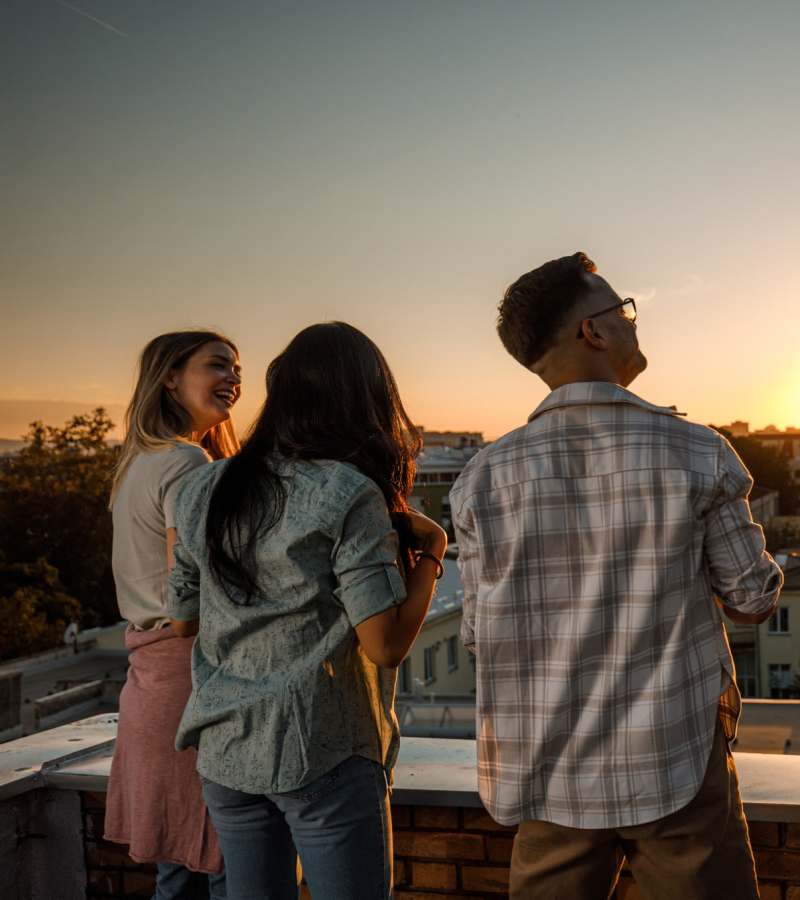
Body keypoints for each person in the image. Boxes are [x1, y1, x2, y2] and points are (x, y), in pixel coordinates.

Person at [450, 252, 783, 900]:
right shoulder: (697, 450)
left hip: (546, 769)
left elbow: (475, 635)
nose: (633, 322)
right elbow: (752, 598)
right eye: (622, 309)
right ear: (593, 333)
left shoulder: (481, 480)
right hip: (675, 757)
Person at [165, 321, 446, 900]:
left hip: (225, 750)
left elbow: (183, 619)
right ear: (366, 400)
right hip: (321, 747)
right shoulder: (347, 492)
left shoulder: (202, 488)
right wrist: (433, 554)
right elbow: (386, 645)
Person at [106, 330, 242, 900]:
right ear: (169, 377)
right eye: (217, 366)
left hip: (150, 681)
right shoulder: (189, 463)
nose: (233, 379)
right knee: (225, 862)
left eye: (237, 369)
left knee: (177, 869)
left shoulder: (137, 462)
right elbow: (195, 597)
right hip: (192, 677)